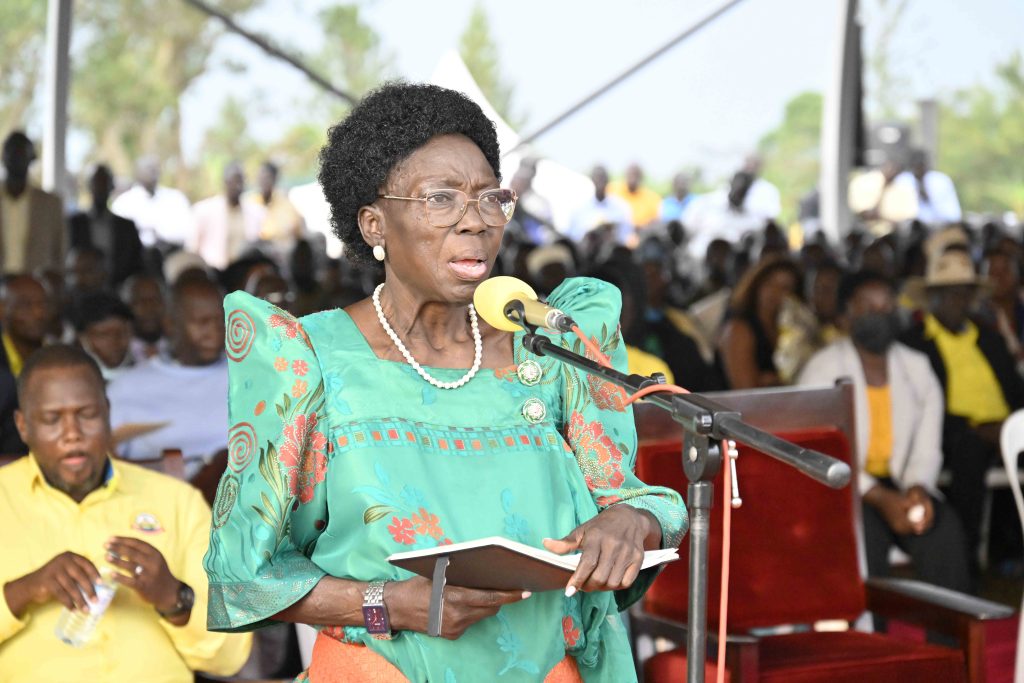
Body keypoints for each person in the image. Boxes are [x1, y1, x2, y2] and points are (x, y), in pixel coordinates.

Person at [204, 82, 688, 682]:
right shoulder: (307, 360)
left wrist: (630, 523)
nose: (476, 221)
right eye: (441, 198)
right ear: (374, 225)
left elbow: (631, 500)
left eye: (491, 198)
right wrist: (388, 604)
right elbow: (242, 575)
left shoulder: (548, 348)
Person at [0, 345, 250, 681]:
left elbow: (230, 658)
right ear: (23, 426)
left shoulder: (176, 502)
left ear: (107, 413)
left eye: (86, 414)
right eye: (52, 419)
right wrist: (24, 590)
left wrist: (173, 598)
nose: (72, 433)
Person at [798, 271, 970, 592]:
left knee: (944, 531)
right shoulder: (822, 369)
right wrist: (878, 496)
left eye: (887, 306)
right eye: (867, 307)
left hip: (903, 481)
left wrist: (918, 488)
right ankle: (868, 635)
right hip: (847, 486)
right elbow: (817, 447)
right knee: (865, 540)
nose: (879, 314)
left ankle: (950, 639)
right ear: (846, 316)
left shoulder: (917, 366)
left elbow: (927, 446)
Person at [901, 249, 1024, 571]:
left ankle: (1012, 548)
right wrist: (977, 428)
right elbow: (915, 406)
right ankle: (965, 563)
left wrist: (1008, 426)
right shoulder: (914, 343)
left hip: (1007, 427)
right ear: (933, 297)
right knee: (969, 450)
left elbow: (1016, 391)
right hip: (951, 432)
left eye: (964, 293)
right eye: (950, 294)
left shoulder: (990, 338)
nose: (958, 301)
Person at [107, 278, 227, 478]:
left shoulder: (250, 377)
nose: (215, 331)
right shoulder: (127, 388)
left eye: (221, 320)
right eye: (202, 322)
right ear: (171, 325)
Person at [717, 255, 802, 389]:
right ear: (756, 284)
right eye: (769, 283)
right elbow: (744, 388)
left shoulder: (794, 331)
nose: (775, 292)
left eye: (785, 287)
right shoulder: (738, 328)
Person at [67, 164, 143, 287]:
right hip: (82, 292)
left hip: (119, 291)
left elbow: (137, 264)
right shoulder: (74, 224)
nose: (100, 188)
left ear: (111, 187)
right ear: (89, 186)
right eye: (97, 183)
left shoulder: (127, 227)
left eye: (104, 183)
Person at [0, 132, 65, 275]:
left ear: (31, 158)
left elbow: (60, 253)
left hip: (36, 287)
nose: (16, 158)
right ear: (3, 157)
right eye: (11, 152)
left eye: (21, 153)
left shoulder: (51, 203)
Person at [189, 162, 266, 270]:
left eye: (241, 181)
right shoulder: (204, 210)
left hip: (243, 271)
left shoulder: (256, 212)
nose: (238, 186)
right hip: (215, 271)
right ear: (225, 182)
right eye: (235, 181)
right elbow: (193, 247)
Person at [110, 156, 192, 248]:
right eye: (148, 168)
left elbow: (188, 231)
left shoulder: (176, 198)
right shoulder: (123, 203)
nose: (153, 171)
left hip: (172, 253)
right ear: (136, 173)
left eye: (155, 168)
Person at [72, 292, 135, 382]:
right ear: (83, 338)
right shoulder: (73, 380)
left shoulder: (147, 374)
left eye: (122, 333)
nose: (114, 342)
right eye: (103, 335)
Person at [248, 160, 305, 258]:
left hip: (286, 257)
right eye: (260, 178)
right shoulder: (250, 204)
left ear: (274, 179)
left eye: (266, 178)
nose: (263, 182)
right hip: (260, 258)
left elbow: (300, 231)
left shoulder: (286, 204)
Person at [567, 165, 634, 247]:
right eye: (597, 178)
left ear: (608, 180)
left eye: (603, 178)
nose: (600, 182)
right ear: (592, 180)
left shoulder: (620, 208)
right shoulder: (579, 208)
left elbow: (626, 236)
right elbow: (573, 237)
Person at [893, 149, 962, 226]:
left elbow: (953, 214)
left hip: (939, 227)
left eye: (921, 166)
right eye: (916, 167)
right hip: (910, 230)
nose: (919, 170)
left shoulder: (941, 181)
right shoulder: (903, 181)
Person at [0, 275, 51, 377]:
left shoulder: (58, 357)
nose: (38, 313)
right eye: (25, 305)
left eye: (43, 304)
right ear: (2, 311)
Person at [120, 274, 168, 362]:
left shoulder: (181, 350)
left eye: (155, 299)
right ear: (127, 307)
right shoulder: (118, 353)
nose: (149, 307)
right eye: (140, 301)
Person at [606, 163, 662, 230]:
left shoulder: (652, 198)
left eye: (636, 175)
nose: (633, 178)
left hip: (642, 234)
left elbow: (656, 221)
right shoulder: (612, 190)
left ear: (641, 177)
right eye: (630, 175)